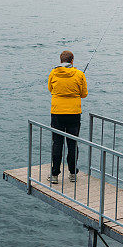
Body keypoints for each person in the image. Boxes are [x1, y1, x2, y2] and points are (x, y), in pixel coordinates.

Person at [47, 50, 88, 184]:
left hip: (57, 112)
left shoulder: (53, 73)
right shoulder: (79, 74)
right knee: (72, 143)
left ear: (60, 61)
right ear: (72, 61)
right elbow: (84, 94)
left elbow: (50, 89)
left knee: (57, 143)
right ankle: (72, 173)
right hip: (74, 113)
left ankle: (54, 175)